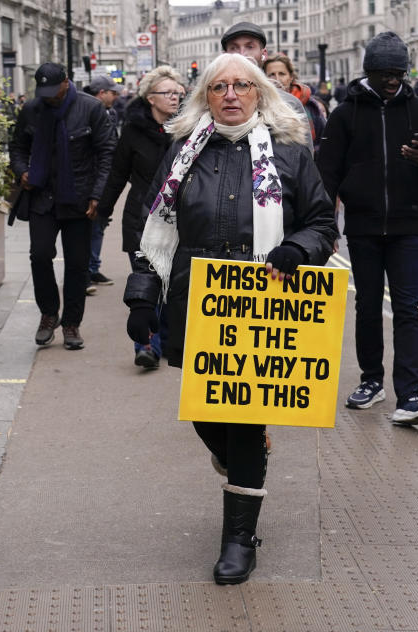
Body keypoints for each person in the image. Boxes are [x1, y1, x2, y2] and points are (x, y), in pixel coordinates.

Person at [124, 53, 336, 584]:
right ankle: (242, 460)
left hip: (266, 306)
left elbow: (321, 225)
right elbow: (155, 230)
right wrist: (141, 298)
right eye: (220, 87)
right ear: (207, 96)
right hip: (199, 302)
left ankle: (239, 538)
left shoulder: (289, 154)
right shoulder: (183, 153)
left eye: (243, 84)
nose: (232, 94)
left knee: (242, 422)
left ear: (260, 92)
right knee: (204, 415)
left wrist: (297, 249)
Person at [316, 31, 418, 425]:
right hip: (364, 226)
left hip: (407, 226)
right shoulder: (345, 114)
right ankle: (371, 381)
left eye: (399, 73)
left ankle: (410, 395)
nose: (393, 81)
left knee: (408, 309)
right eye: (384, 73)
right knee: (368, 306)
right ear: (368, 71)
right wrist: (327, 227)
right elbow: (328, 175)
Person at [8, 62, 115, 350]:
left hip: (79, 199)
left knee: (78, 265)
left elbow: (106, 153)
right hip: (42, 196)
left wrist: (97, 195)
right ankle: (48, 313)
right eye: (44, 91)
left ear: (67, 82)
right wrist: (22, 171)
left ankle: (71, 323)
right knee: (39, 255)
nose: (50, 96)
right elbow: (17, 146)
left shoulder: (90, 108)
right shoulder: (32, 109)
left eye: (54, 90)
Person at [97, 65, 184, 369]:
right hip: (141, 216)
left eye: (178, 92)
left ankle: (166, 339)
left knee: (171, 283)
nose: (174, 97)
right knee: (145, 281)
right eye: (167, 93)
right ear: (150, 98)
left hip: (180, 216)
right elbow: (118, 173)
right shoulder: (132, 131)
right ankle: (145, 346)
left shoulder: (190, 129)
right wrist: (102, 210)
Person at [220, 22, 310, 128]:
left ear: (264, 54)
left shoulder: (289, 103)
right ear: (224, 55)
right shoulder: (212, 101)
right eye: (234, 48)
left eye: (250, 47)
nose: (242, 54)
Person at [84, 74, 120, 294]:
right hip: (92, 177)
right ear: (101, 93)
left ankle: (93, 268)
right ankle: (85, 272)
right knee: (88, 227)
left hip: (106, 177)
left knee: (100, 225)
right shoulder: (87, 112)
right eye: (112, 92)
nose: (115, 96)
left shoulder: (111, 113)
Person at [264, 54, 328, 153]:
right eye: (271, 74)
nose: (276, 79)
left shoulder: (310, 106)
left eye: (282, 74)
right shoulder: (257, 107)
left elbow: (325, 139)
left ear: (290, 77)